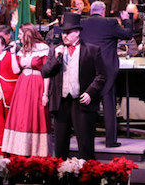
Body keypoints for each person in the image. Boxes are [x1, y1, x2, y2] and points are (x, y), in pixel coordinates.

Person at [41, 13, 107, 160]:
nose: (65, 35)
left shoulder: (92, 50)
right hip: (61, 102)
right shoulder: (55, 50)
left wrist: (90, 93)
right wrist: (56, 59)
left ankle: (88, 175)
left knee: (85, 144)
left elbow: (102, 76)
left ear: (77, 32)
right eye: (63, 32)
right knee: (60, 145)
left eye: (68, 32)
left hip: (81, 101)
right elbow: (45, 72)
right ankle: (60, 175)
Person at [80, 2, 133, 148]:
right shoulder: (110, 23)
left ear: (91, 11)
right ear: (103, 12)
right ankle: (110, 141)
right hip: (106, 69)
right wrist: (127, 20)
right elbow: (128, 34)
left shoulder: (82, 23)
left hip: (87, 67)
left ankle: (85, 140)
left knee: (86, 102)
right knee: (109, 104)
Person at [2, 24, 51, 157]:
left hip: (37, 84)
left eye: (20, 34)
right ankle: (20, 150)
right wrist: (12, 53)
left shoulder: (43, 49)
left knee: (35, 115)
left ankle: (36, 150)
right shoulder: (22, 49)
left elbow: (47, 73)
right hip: (23, 84)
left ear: (27, 34)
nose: (18, 36)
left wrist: (45, 93)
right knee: (22, 115)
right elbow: (16, 70)